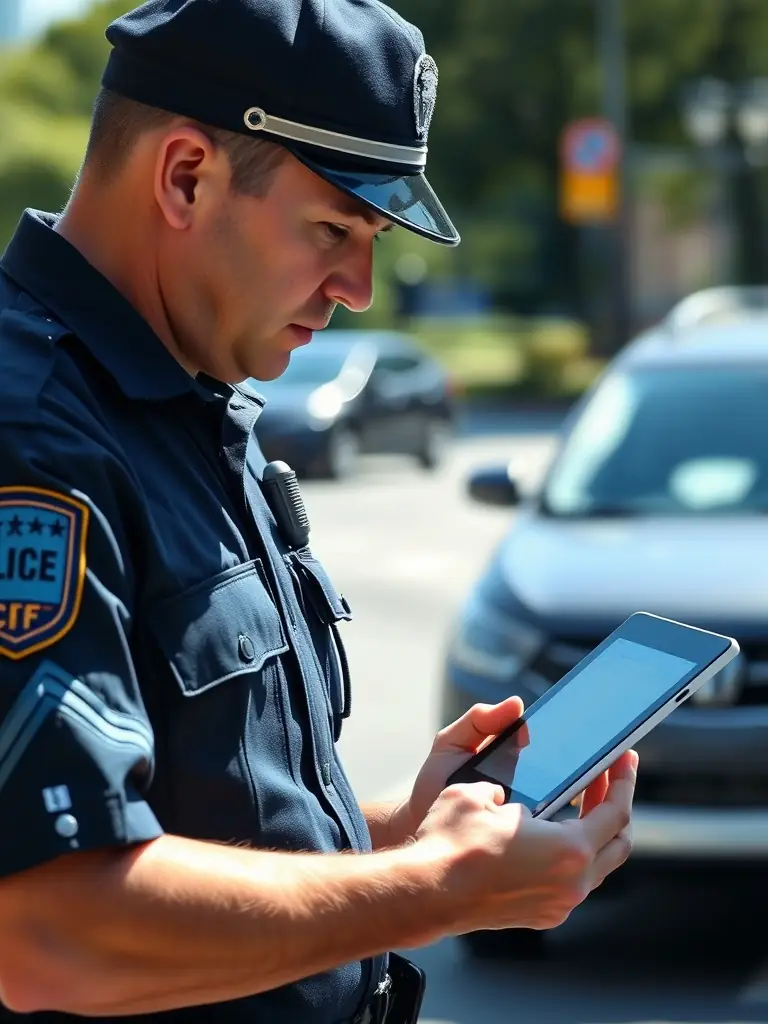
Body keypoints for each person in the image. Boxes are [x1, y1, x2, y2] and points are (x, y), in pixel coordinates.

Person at [0, 0, 637, 1020]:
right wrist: (434, 887)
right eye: (336, 227)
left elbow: (222, 834)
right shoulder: (30, 437)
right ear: (185, 176)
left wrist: (403, 828)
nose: (359, 285)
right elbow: (46, 926)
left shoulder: (191, 397)